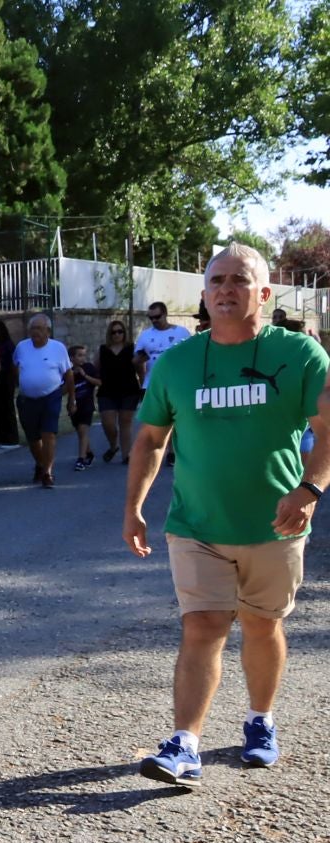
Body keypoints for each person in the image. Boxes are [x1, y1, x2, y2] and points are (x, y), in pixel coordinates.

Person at [124, 244, 330, 785]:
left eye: (239, 280)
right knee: (203, 625)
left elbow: (329, 430)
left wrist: (309, 488)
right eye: (216, 280)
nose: (225, 289)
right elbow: (150, 438)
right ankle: (184, 743)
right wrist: (134, 508)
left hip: (275, 522)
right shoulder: (178, 361)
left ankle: (260, 721)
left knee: (263, 625)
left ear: (264, 292)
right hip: (196, 524)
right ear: (204, 293)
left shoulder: (301, 354)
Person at [12, 314, 72, 488]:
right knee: (33, 438)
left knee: (49, 434)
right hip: (27, 399)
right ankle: (41, 463)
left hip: (51, 396)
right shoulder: (22, 347)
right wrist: (24, 383)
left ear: (48, 330)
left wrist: (71, 399)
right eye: (32, 328)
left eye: (39, 328)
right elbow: (15, 367)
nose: (35, 332)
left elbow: (68, 375)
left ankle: (47, 472)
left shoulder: (58, 348)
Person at [98, 317, 142, 463]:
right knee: (108, 423)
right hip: (107, 391)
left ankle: (126, 455)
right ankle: (113, 445)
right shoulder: (103, 350)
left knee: (126, 422)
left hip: (129, 390)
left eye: (120, 332)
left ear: (124, 333)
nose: (117, 335)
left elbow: (140, 370)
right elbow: (94, 368)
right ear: (109, 334)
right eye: (113, 332)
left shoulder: (132, 348)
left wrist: (143, 388)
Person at [0, 318, 24, 464]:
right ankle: (1, 437)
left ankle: (11, 438)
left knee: (7, 407)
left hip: (6, 378)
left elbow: (12, 363)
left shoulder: (7, 345)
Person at [135, 300, 191, 386]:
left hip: (176, 383)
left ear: (165, 314)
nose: (154, 320)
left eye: (157, 317)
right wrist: (139, 360)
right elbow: (136, 360)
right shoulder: (145, 335)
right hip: (152, 384)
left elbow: (191, 356)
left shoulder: (182, 332)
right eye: (151, 318)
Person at [68, 343, 101, 471]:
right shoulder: (67, 371)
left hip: (87, 405)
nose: (83, 358)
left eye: (84, 355)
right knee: (80, 433)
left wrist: (84, 375)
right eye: (79, 355)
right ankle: (89, 453)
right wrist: (71, 376)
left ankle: (80, 460)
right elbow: (63, 390)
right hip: (73, 406)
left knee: (83, 430)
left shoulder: (89, 368)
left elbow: (99, 382)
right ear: (71, 358)